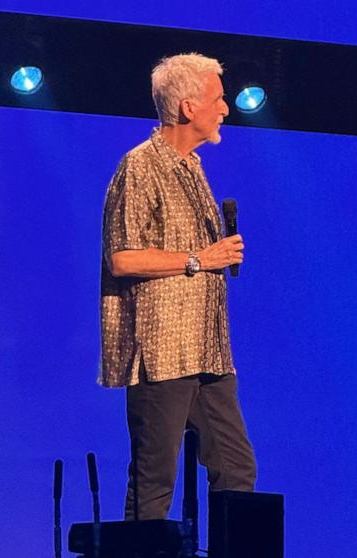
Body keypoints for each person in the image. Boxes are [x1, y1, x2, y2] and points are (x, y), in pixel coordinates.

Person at [100, 53, 256, 519]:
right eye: (218, 98)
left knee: (236, 468)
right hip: (163, 351)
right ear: (189, 107)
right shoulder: (140, 166)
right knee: (154, 481)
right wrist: (199, 259)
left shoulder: (192, 168)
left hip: (208, 352)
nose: (225, 108)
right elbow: (122, 258)